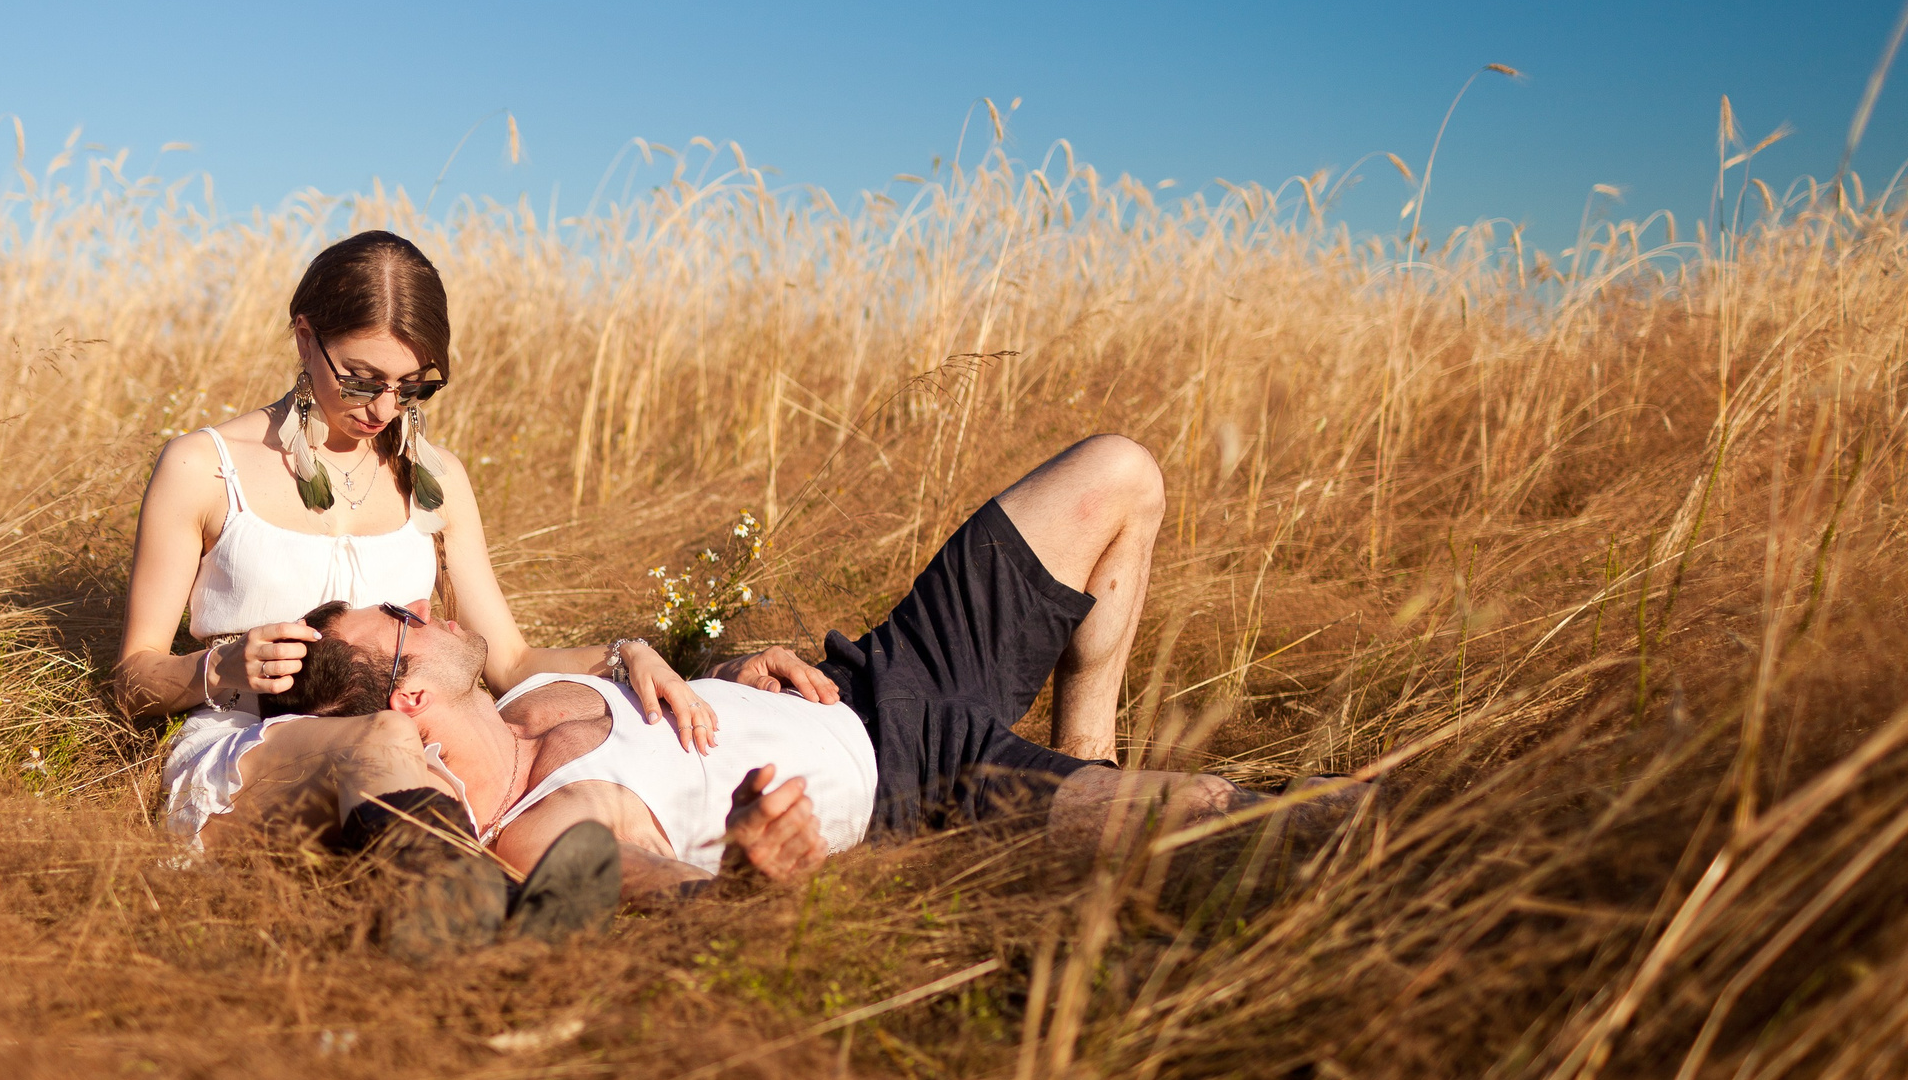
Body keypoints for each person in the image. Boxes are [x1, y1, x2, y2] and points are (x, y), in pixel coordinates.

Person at [234, 434, 1365, 910]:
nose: (418, 600)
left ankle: (1090, 746)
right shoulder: (542, 825)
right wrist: (752, 883)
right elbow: (664, 899)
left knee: (1118, 471)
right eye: (396, 620)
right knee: (1223, 818)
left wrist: (714, 660)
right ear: (409, 698)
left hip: (883, 670)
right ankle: (1409, 849)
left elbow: (661, 661)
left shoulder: (531, 688)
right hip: (933, 787)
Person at [112, 229, 740, 881]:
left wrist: (624, 653)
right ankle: (472, 892)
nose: (385, 407)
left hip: (430, 762)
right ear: (304, 336)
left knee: (467, 766)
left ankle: (696, 903)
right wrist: (222, 667)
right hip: (255, 754)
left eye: (412, 387)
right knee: (383, 737)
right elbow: (132, 680)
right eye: (361, 379)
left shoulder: (437, 480)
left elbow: (511, 661)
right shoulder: (203, 469)